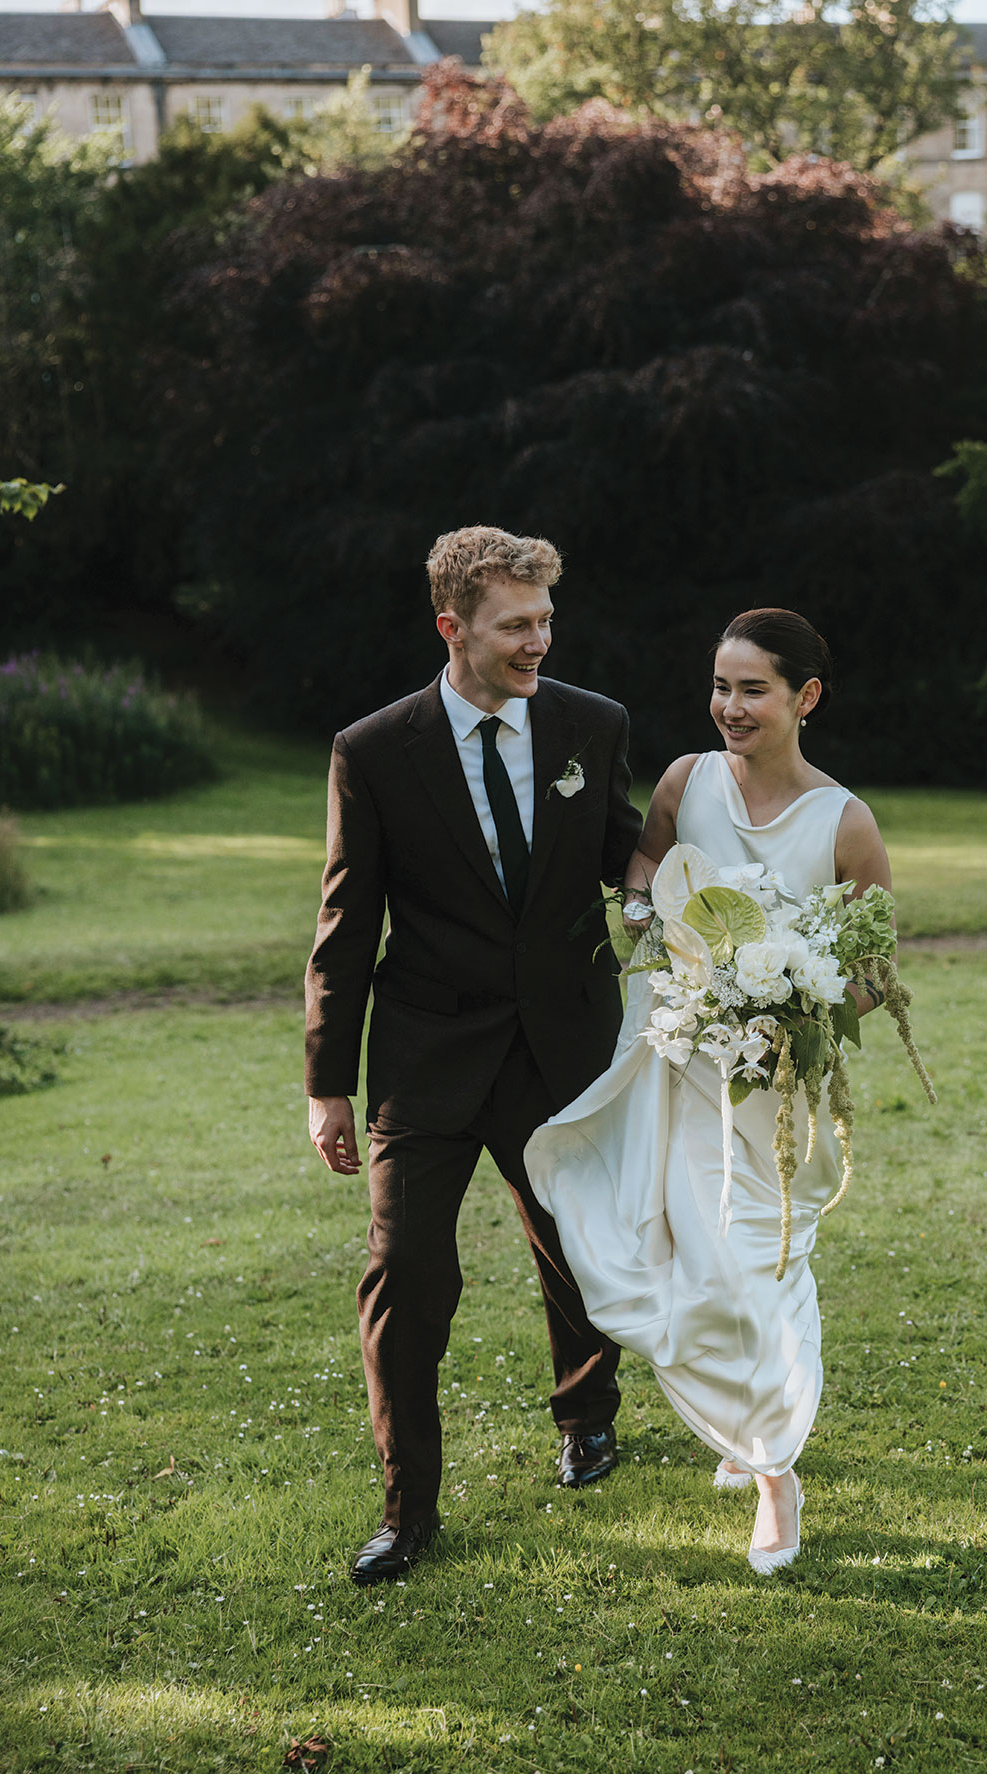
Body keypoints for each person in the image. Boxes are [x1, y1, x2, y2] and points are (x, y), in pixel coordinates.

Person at [305, 526, 642, 1585]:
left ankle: (587, 1417)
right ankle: (409, 1512)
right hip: (428, 1054)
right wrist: (328, 1085)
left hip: (563, 1045)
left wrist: (727, 913)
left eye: (546, 620)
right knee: (405, 1273)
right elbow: (347, 922)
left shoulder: (592, 723)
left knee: (578, 1250)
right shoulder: (374, 751)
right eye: (515, 626)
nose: (538, 642)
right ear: (453, 629)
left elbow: (626, 852)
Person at [525, 608, 892, 1575]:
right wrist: (651, 918)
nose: (730, 707)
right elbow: (647, 865)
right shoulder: (687, 782)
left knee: (756, 1265)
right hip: (678, 1067)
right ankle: (753, 1436)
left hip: (772, 1092)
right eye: (721, 686)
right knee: (695, 1261)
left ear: (806, 698)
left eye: (753, 690)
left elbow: (873, 966)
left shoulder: (844, 822)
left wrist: (792, 1005)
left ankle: (777, 1477)